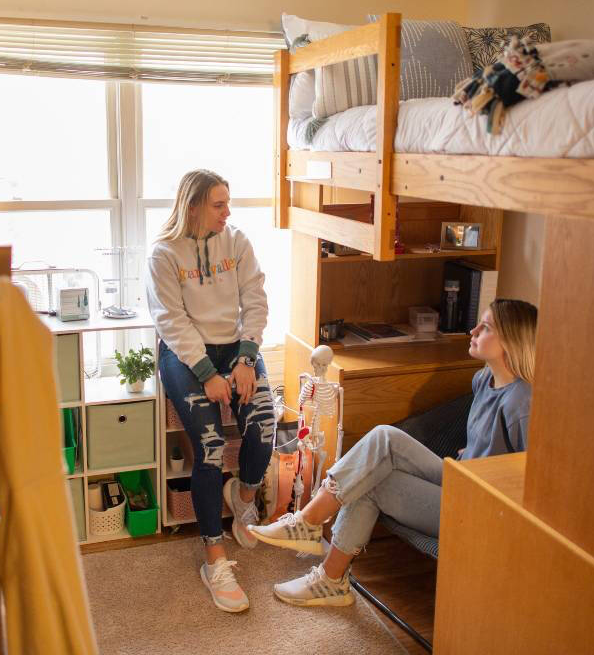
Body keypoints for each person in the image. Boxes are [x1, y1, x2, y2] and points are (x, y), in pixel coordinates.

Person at [248, 299, 538, 607]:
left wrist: (486, 470)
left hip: (481, 511)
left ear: (512, 341)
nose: (473, 330)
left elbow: (531, 479)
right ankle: (322, 559)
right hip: (459, 477)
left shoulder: (521, 402)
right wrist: (476, 455)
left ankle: (314, 538)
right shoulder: (484, 379)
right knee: (378, 452)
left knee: (375, 468)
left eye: (486, 327)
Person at [146, 168, 275, 613]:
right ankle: (215, 558)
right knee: (211, 447)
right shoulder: (164, 254)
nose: (227, 212)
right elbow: (171, 321)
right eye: (219, 205)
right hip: (185, 355)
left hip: (235, 349)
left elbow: (256, 300)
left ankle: (243, 496)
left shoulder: (236, 242)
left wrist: (245, 359)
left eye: (228, 203)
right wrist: (207, 372)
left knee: (264, 427)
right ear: (194, 206)